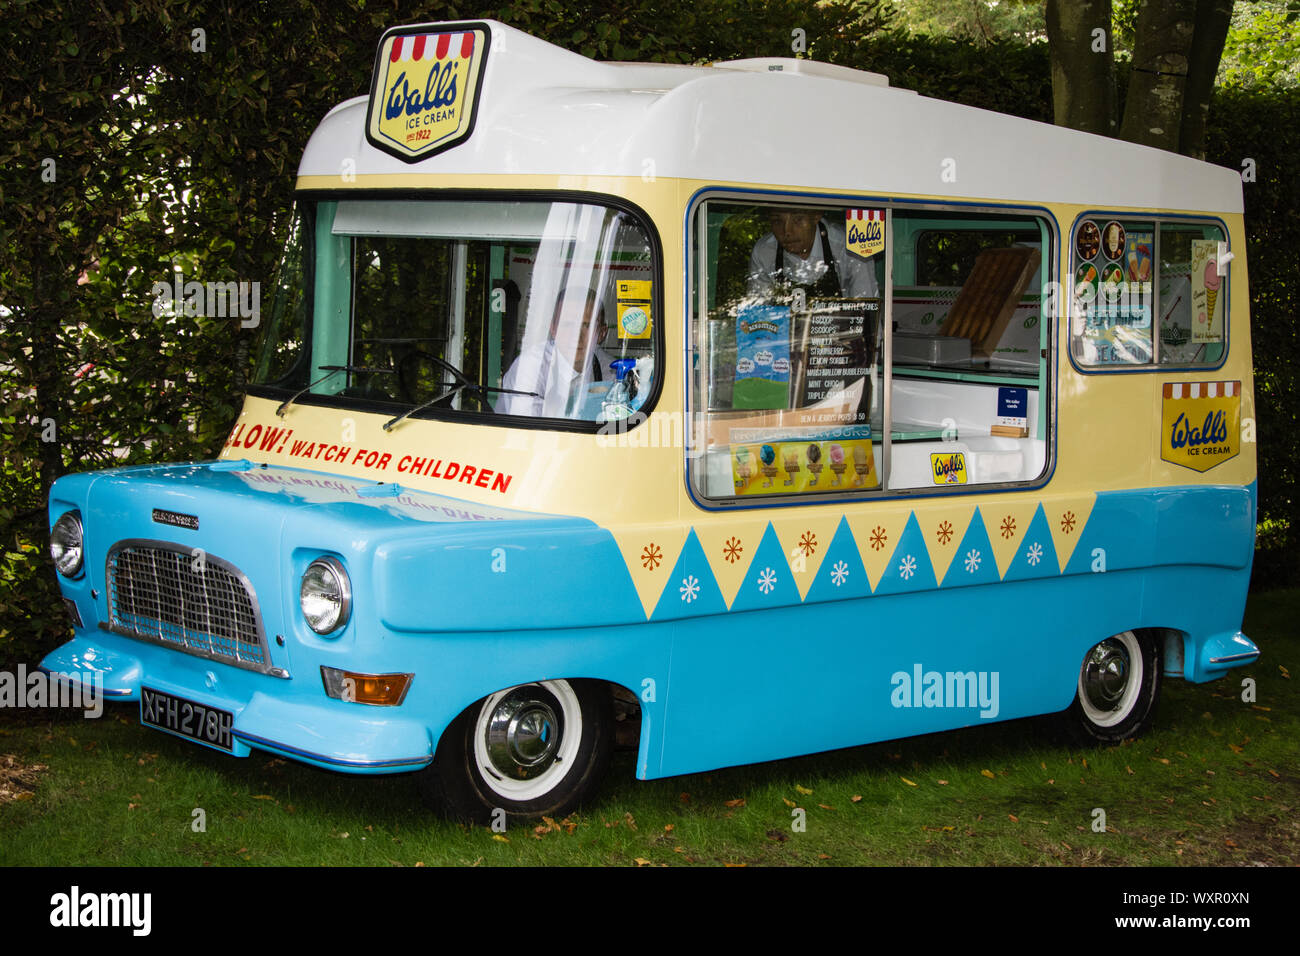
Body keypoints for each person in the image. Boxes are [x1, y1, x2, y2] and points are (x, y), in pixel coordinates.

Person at [495, 287, 610, 418]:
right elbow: (531, 431)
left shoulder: (611, 370)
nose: (576, 337)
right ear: (553, 329)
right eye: (568, 325)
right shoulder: (531, 368)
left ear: (602, 333)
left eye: (586, 326)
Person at [747, 208, 879, 300]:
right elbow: (759, 311)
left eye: (797, 220)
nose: (787, 231)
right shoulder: (764, 252)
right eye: (777, 221)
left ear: (816, 216)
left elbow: (866, 309)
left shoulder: (849, 248)